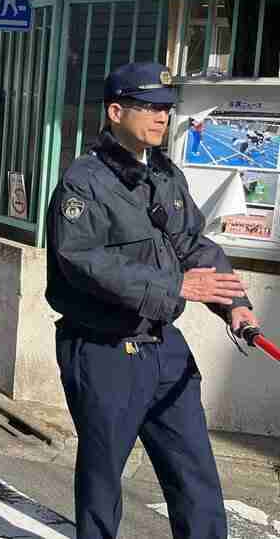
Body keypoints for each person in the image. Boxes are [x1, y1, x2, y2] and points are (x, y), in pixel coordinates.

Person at [46, 62, 260, 539]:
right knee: (103, 479)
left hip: (162, 346)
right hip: (104, 350)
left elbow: (194, 245)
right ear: (116, 111)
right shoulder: (84, 181)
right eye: (148, 107)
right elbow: (81, 261)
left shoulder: (164, 173)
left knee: (195, 475)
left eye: (166, 107)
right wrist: (176, 288)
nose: (162, 116)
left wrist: (234, 303)